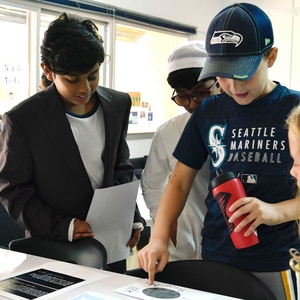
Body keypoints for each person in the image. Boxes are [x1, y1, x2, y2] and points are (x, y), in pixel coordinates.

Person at [138, 3, 300, 298]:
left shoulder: (294, 110)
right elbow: (179, 181)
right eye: (222, 76)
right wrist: (159, 237)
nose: (232, 86)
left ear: (271, 57)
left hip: (278, 259)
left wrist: (273, 212)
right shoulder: (209, 111)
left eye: (243, 74)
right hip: (216, 254)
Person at [0, 12, 145, 274]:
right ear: (48, 70)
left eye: (92, 75)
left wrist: (130, 217)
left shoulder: (118, 104)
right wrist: (62, 226)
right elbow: (14, 191)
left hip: (111, 240)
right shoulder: (22, 119)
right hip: (53, 244)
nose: (85, 88)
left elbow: (120, 167)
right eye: (72, 79)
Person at [141, 41, 220, 261]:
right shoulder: (168, 131)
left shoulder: (236, 125)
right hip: (184, 234)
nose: (192, 104)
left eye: (201, 93)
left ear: (219, 82)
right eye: (182, 96)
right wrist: (164, 222)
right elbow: (151, 184)